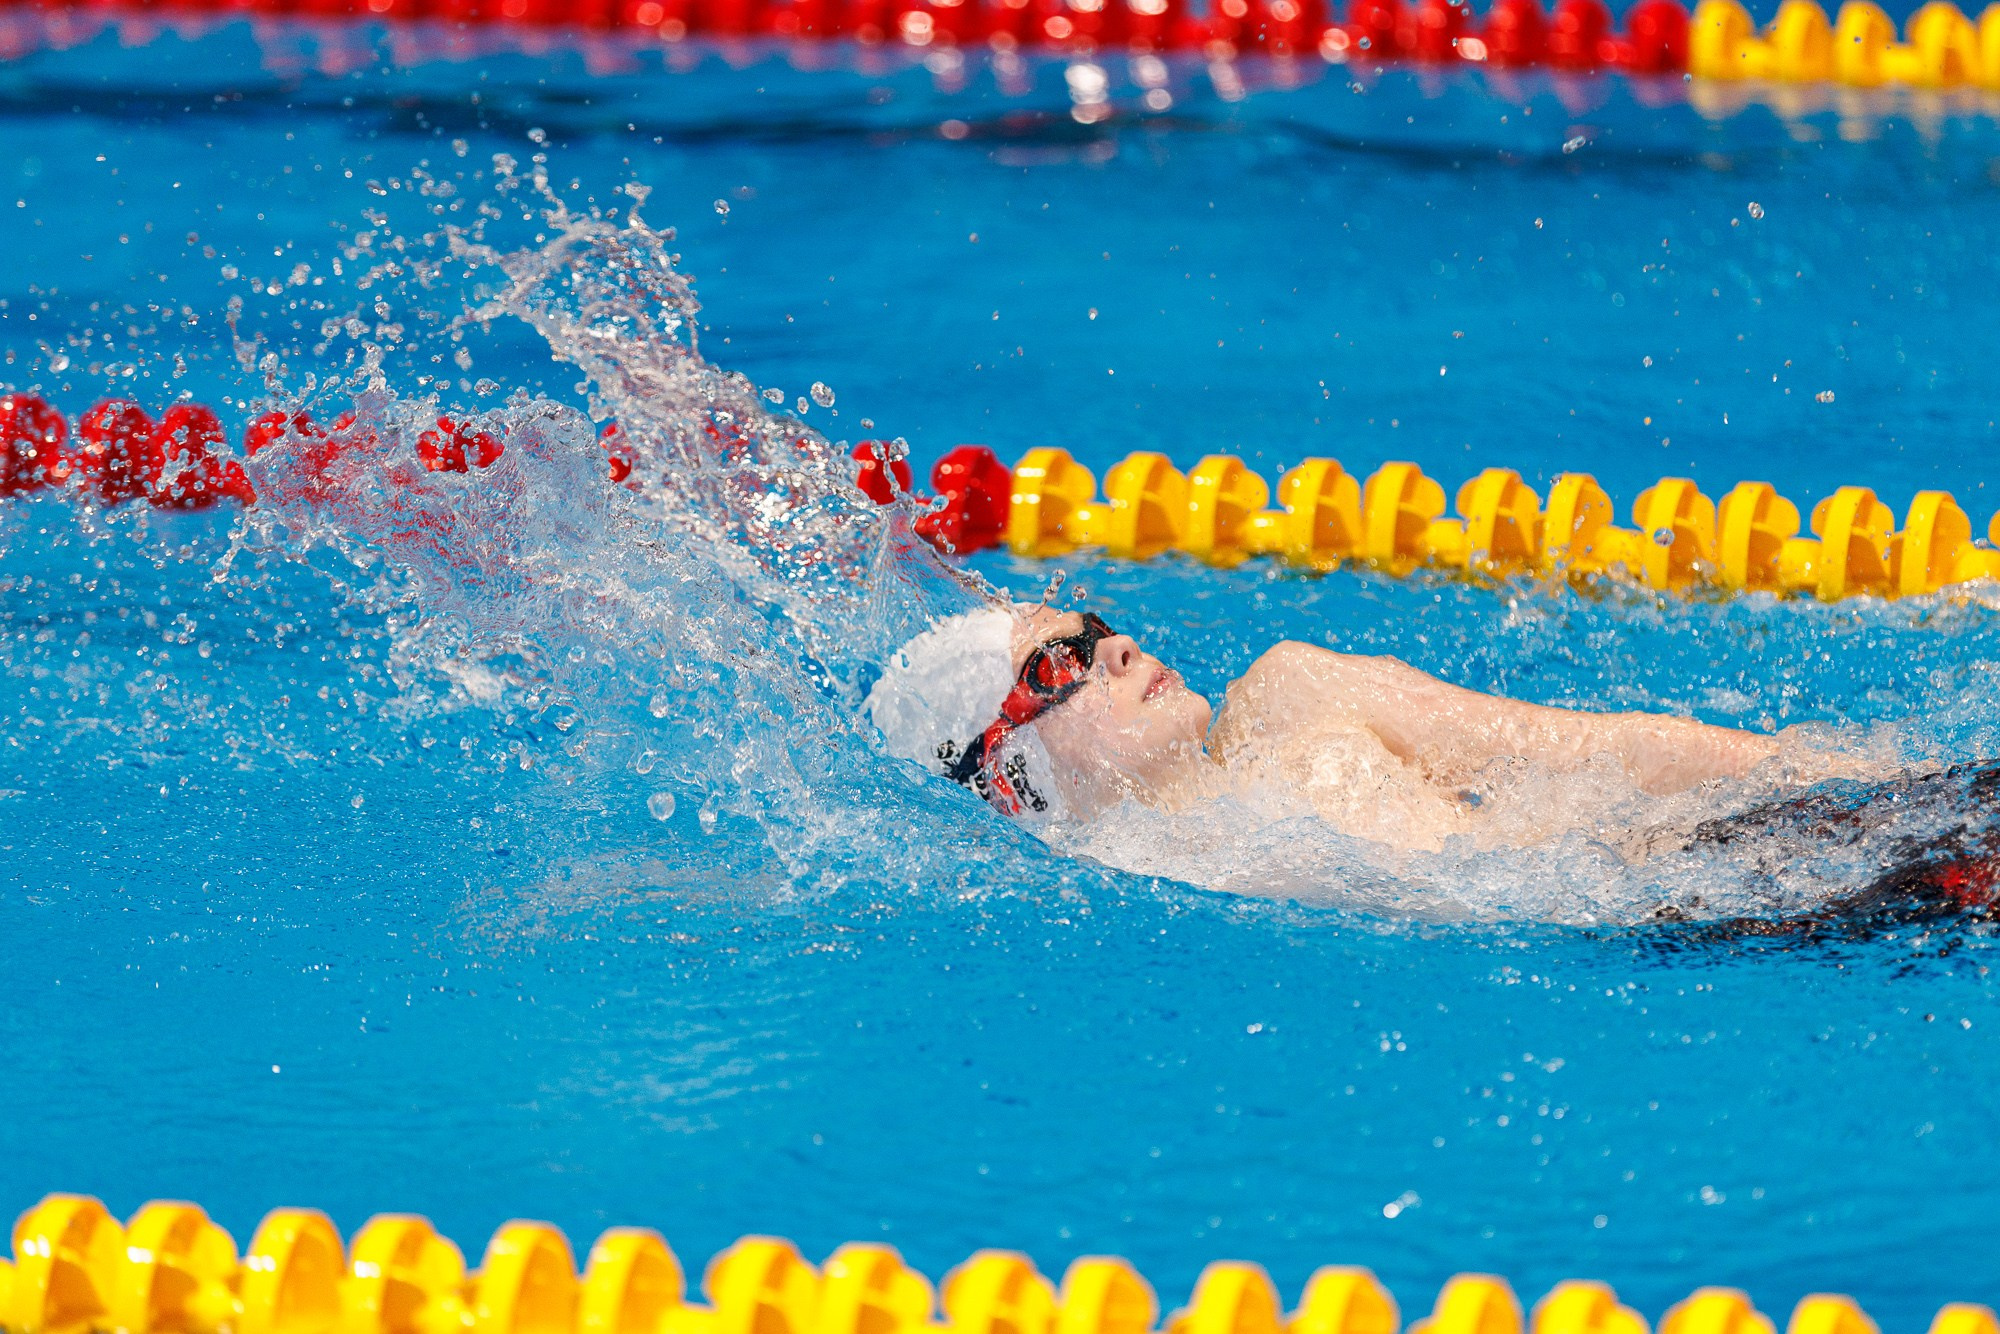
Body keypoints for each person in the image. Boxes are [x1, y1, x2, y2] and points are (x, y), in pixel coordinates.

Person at [865, 601, 1853, 852]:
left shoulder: (1296, 697)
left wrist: (1832, 769)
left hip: (1763, 850)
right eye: (1057, 663)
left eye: (1095, 628)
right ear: (1008, 777)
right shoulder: (1129, 883)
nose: (1115, 647)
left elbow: (1593, 749)